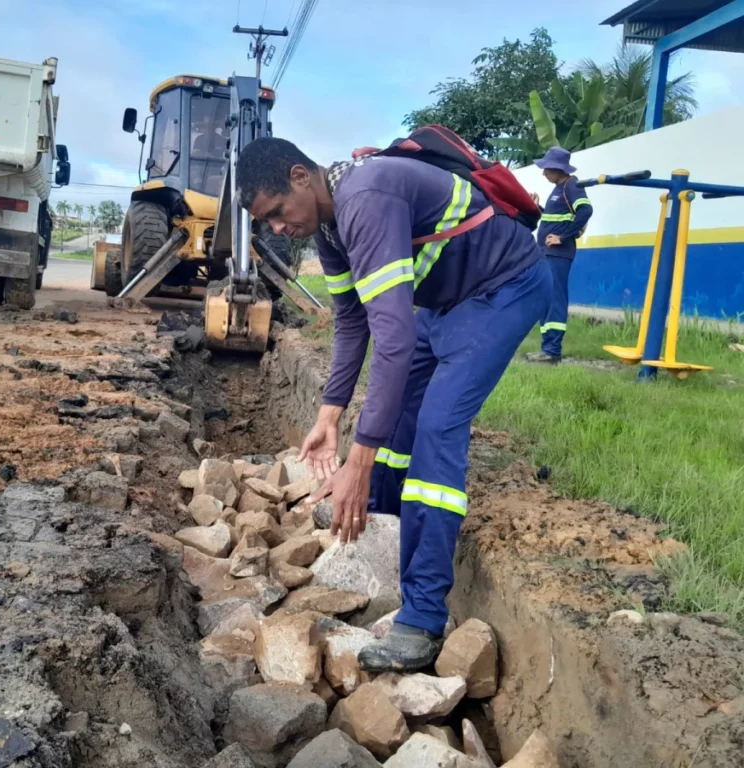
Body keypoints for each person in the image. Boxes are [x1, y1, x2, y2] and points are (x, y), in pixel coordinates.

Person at [236, 137, 551, 671]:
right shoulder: (331, 226)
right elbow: (353, 320)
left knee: (436, 426)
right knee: (397, 417)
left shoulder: (366, 195)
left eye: (277, 214)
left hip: (504, 289)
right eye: (266, 224)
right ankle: (377, 526)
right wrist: (328, 416)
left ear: (299, 177)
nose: (278, 229)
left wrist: (357, 462)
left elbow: (395, 341)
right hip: (447, 301)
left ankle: (423, 616)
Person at [525, 147, 593, 364]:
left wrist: (562, 238)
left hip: (558, 254)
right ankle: (547, 348)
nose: (543, 173)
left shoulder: (571, 185)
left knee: (555, 299)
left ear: (557, 169)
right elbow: (558, 217)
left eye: (546, 169)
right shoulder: (559, 188)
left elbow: (586, 210)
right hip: (547, 253)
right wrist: (538, 208)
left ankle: (552, 351)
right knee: (546, 298)